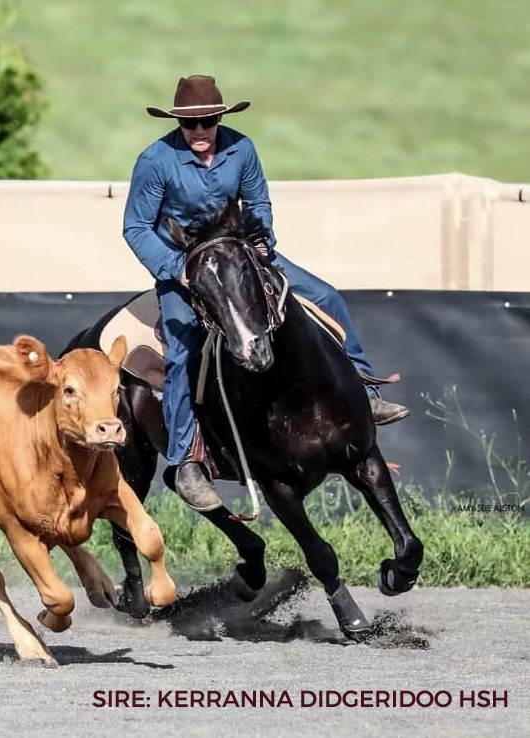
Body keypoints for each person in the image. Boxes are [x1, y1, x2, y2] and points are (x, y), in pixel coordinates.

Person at [123, 74, 409, 511]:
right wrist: (177, 270)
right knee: (182, 351)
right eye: (190, 124)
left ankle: (365, 391)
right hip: (188, 268)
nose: (199, 131)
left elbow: (258, 204)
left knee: (327, 297)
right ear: (178, 123)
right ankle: (186, 461)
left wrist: (261, 239)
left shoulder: (243, 149)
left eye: (208, 121)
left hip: (242, 255)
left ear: (220, 118)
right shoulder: (155, 161)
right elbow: (137, 228)